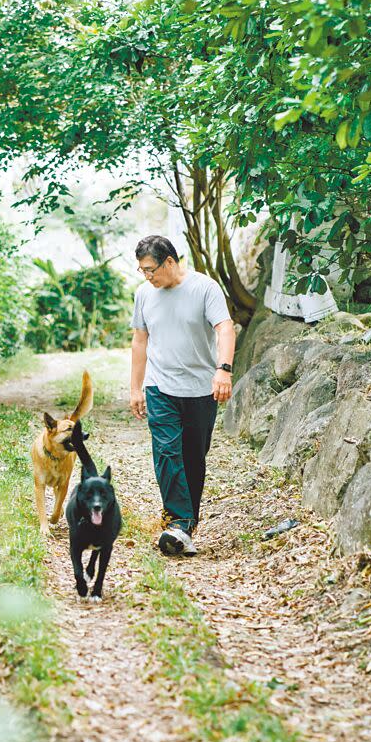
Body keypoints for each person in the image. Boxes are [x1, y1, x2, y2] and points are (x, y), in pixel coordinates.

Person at [130, 235, 236, 556]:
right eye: (142, 271)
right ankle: (178, 522)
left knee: (193, 456)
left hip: (200, 389)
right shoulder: (144, 294)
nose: (147, 277)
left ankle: (184, 526)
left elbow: (225, 328)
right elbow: (139, 341)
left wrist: (224, 368)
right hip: (160, 387)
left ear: (170, 262)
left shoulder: (205, 288)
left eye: (151, 270)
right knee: (166, 452)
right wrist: (135, 388)